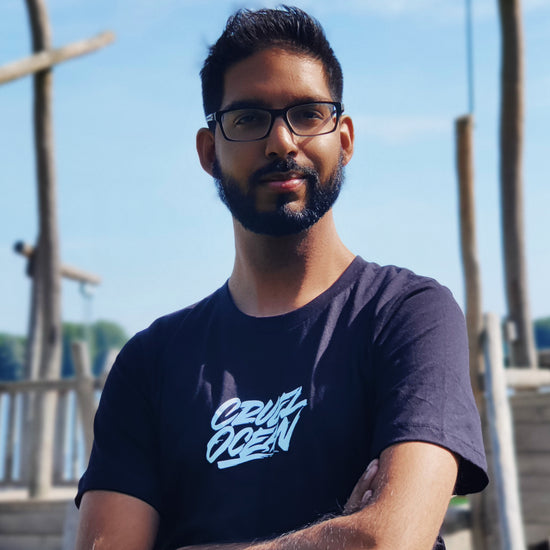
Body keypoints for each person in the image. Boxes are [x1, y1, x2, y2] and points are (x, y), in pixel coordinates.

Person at [75, 6, 488, 550]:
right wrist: (340, 534)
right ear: (209, 152)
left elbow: (390, 540)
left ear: (344, 138)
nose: (281, 142)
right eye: (248, 118)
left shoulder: (407, 315)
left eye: (307, 113)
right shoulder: (150, 364)